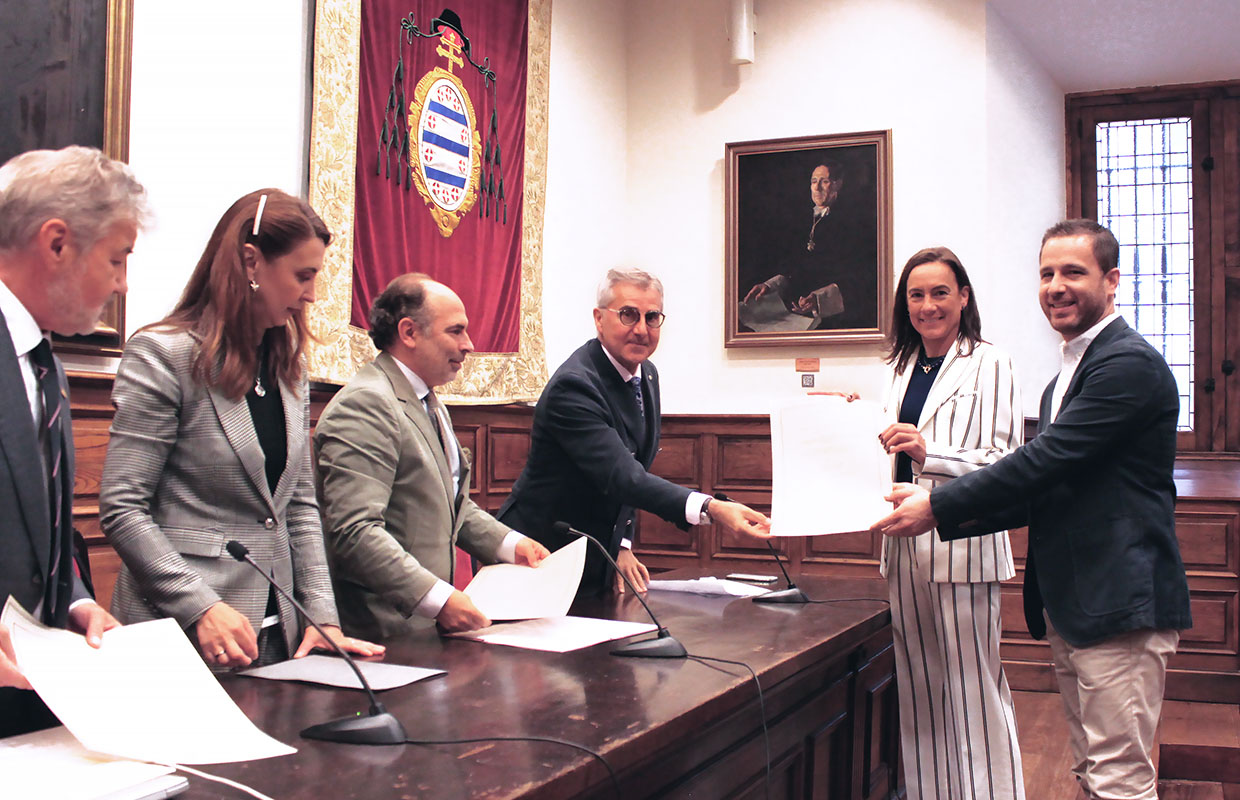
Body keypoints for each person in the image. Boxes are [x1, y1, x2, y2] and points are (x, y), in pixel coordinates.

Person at [873, 220, 1192, 800]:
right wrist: (937, 513)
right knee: (1093, 770)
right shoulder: (1065, 375)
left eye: (1073, 272)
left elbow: (1039, 463)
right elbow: (1045, 489)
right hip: (1078, 601)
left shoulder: (1127, 365)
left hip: (1119, 600)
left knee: (1118, 778)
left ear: (1112, 280)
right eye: (1047, 273)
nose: (1056, 286)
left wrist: (938, 507)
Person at [100, 189, 383, 670]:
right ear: (252, 263)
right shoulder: (163, 355)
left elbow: (297, 506)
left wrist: (321, 617)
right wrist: (199, 605)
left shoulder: (289, 371)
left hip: (278, 634)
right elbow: (123, 507)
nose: (311, 294)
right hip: (179, 633)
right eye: (303, 275)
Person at [498, 267, 771, 597]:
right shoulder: (574, 386)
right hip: (540, 555)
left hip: (596, 554)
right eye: (628, 315)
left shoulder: (647, 375)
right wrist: (711, 508)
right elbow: (623, 477)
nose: (641, 329)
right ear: (599, 319)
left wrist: (623, 544)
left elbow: (634, 464)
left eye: (652, 317)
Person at [314, 274, 550, 638]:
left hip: (423, 629)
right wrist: (437, 599)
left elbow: (449, 501)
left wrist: (510, 545)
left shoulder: (429, 400)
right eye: (455, 331)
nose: (469, 344)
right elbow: (355, 532)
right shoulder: (367, 404)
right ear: (409, 332)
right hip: (384, 632)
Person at [0, 146, 142, 736]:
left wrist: (76, 600)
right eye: (117, 259)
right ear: (57, 243)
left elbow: (43, 530)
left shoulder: (43, 363)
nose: (122, 283)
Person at [876, 247, 1024, 800]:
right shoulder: (897, 366)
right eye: (916, 294)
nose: (928, 305)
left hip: (963, 549)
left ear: (963, 297)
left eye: (940, 292)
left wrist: (928, 451)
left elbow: (1005, 462)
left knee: (973, 690)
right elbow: (888, 455)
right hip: (902, 550)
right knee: (919, 687)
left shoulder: (992, 361)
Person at [741, 159, 878, 329]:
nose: (817, 187)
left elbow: (860, 279)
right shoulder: (802, 219)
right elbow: (794, 269)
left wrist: (819, 300)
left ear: (838, 185)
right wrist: (769, 286)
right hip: (796, 313)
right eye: (814, 181)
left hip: (835, 320)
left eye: (824, 181)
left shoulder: (854, 222)